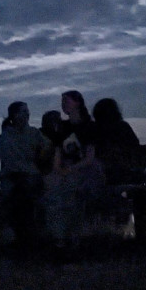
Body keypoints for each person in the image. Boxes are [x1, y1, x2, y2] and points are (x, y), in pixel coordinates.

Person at [44, 90, 106, 248]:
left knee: (73, 193)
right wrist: (58, 168)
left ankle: (74, 238)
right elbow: (58, 152)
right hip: (67, 168)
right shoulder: (62, 127)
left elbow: (89, 158)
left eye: (67, 100)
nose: (64, 104)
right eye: (62, 101)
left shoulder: (89, 126)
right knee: (54, 190)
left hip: (85, 169)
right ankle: (60, 237)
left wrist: (70, 169)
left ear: (78, 103)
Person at [0, 102, 52, 247]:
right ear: (14, 115)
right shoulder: (6, 136)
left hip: (31, 175)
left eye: (27, 111)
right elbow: (7, 160)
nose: (27, 114)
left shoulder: (34, 133)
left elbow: (48, 147)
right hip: (13, 177)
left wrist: (40, 158)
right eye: (23, 112)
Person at [91, 98, 142, 186]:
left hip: (105, 173)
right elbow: (135, 146)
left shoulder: (95, 130)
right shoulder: (123, 127)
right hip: (126, 170)